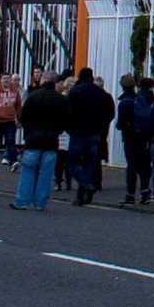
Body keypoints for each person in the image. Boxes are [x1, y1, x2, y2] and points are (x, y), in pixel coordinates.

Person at [12, 71, 67, 210]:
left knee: (28, 170)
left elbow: (23, 117)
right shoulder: (60, 99)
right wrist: (57, 131)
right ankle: (41, 203)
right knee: (46, 173)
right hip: (51, 140)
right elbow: (66, 119)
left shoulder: (33, 96)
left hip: (33, 139)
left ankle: (22, 201)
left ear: (43, 80)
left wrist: (28, 131)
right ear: (55, 83)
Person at [64, 66, 114, 205]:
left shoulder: (75, 92)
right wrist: (101, 129)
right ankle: (83, 195)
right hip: (95, 132)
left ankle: (86, 185)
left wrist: (70, 129)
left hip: (78, 133)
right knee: (90, 164)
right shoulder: (101, 93)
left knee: (73, 163)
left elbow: (68, 113)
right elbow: (109, 113)